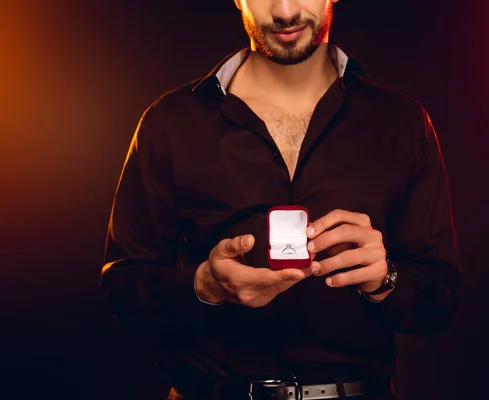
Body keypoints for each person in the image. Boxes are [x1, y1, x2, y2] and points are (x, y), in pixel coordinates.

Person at [100, 1, 461, 399]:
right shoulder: (169, 122)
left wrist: (385, 280)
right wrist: (203, 285)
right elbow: (122, 291)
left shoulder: (403, 124)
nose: (285, 11)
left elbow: (440, 305)